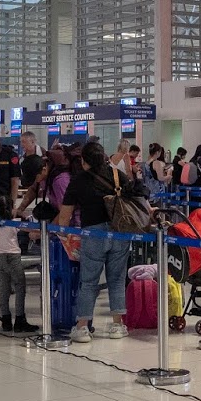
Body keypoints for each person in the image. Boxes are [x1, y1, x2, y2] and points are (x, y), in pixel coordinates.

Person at [55, 139, 144, 342]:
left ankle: (82, 328)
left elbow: (65, 214)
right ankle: (117, 325)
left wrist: (64, 234)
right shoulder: (117, 175)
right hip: (119, 232)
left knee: (89, 282)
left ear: (84, 161)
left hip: (93, 234)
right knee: (117, 279)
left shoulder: (79, 180)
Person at [0, 194, 35, 333]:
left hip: (0, 259)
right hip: (14, 258)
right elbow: (30, 229)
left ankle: (6, 320)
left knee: (4, 289)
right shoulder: (14, 224)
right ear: (12, 208)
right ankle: (20, 319)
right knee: (20, 287)